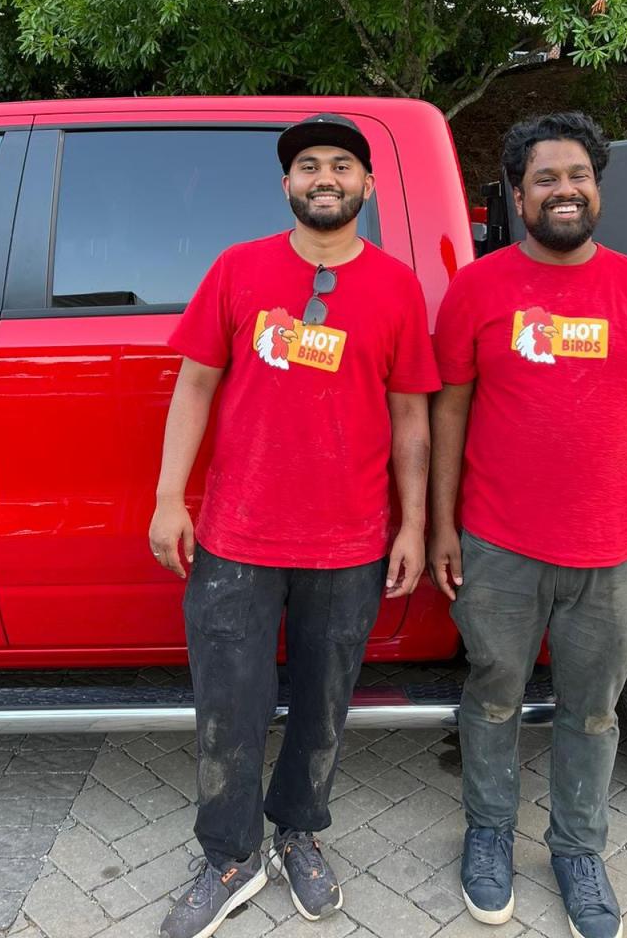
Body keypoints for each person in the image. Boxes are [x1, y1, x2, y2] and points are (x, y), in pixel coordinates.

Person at [149, 113, 439, 938]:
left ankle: (300, 834)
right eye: (308, 166)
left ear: (367, 187)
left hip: (350, 542)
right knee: (227, 709)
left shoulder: (395, 286)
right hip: (237, 536)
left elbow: (411, 418)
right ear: (287, 185)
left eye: (341, 166)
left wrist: (412, 525)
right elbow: (195, 387)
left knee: (323, 705)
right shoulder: (239, 270)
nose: (324, 178)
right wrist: (172, 498)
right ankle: (230, 856)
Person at [428, 112, 627, 938]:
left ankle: (578, 850)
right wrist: (442, 526)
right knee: (494, 695)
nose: (564, 190)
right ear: (516, 195)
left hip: (613, 554)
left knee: (592, 710)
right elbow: (449, 417)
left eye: (577, 175)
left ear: (597, 187)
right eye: (544, 178)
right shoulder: (476, 291)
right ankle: (488, 834)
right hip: (498, 547)